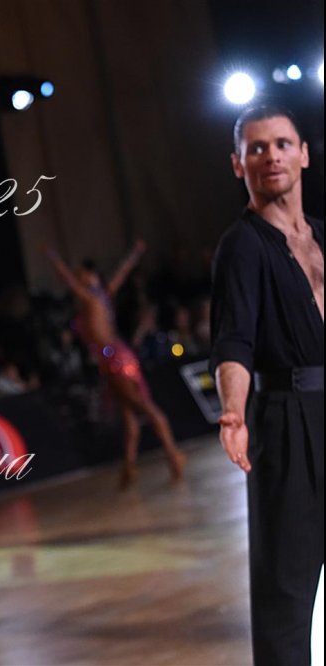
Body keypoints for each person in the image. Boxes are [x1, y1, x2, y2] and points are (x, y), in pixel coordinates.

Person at [210, 104, 324, 665]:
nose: (271, 156)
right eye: (256, 148)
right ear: (239, 164)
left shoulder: (321, 236)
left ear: (303, 154)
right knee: (287, 583)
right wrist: (233, 411)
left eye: (281, 144)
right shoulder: (243, 245)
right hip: (287, 418)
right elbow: (233, 341)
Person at [45, 241, 186, 489]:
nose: (83, 279)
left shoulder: (92, 299)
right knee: (129, 416)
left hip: (115, 360)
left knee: (144, 408)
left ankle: (172, 454)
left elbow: (70, 280)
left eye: (86, 275)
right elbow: (121, 274)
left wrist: (54, 258)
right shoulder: (100, 298)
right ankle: (129, 468)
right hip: (115, 358)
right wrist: (135, 254)